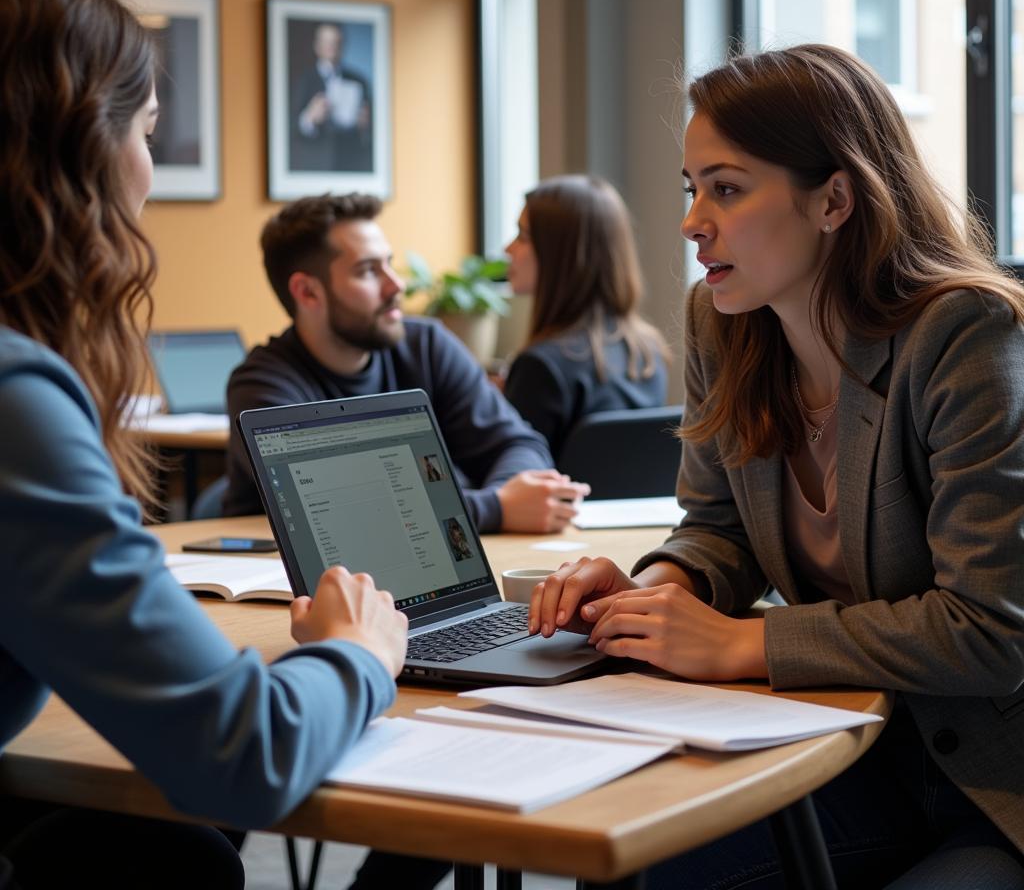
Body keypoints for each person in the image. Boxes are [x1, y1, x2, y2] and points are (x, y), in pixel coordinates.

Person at [529, 45, 1024, 889]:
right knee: (637, 857)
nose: (691, 222)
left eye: (726, 187)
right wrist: (657, 590)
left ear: (834, 198)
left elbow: (991, 631)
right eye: (692, 190)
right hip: (835, 738)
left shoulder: (964, 335)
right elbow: (717, 528)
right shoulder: (724, 322)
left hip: (978, 777)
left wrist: (742, 642)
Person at [0, 0, 408, 889]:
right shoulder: (16, 399)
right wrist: (360, 655)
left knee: (168, 855)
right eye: (146, 131)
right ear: (78, 152)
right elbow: (241, 752)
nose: (147, 172)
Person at [224, 193, 590, 533]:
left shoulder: (427, 345)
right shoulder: (263, 388)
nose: (395, 284)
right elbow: (341, 514)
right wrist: (496, 507)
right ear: (307, 292)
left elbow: (518, 444)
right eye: (368, 270)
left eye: (389, 263)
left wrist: (510, 497)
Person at [503, 174, 669, 460]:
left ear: (559, 254)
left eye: (523, 236)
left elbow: (514, 475)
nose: (509, 249)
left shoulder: (541, 367)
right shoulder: (647, 351)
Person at [291, 22, 373, 173]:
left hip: (350, 164)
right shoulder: (303, 80)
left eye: (337, 43)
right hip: (315, 166)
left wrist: (365, 126)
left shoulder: (359, 81)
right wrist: (309, 118)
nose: (332, 47)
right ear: (317, 46)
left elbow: (372, 135)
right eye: (328, 43)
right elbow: (290, 129)